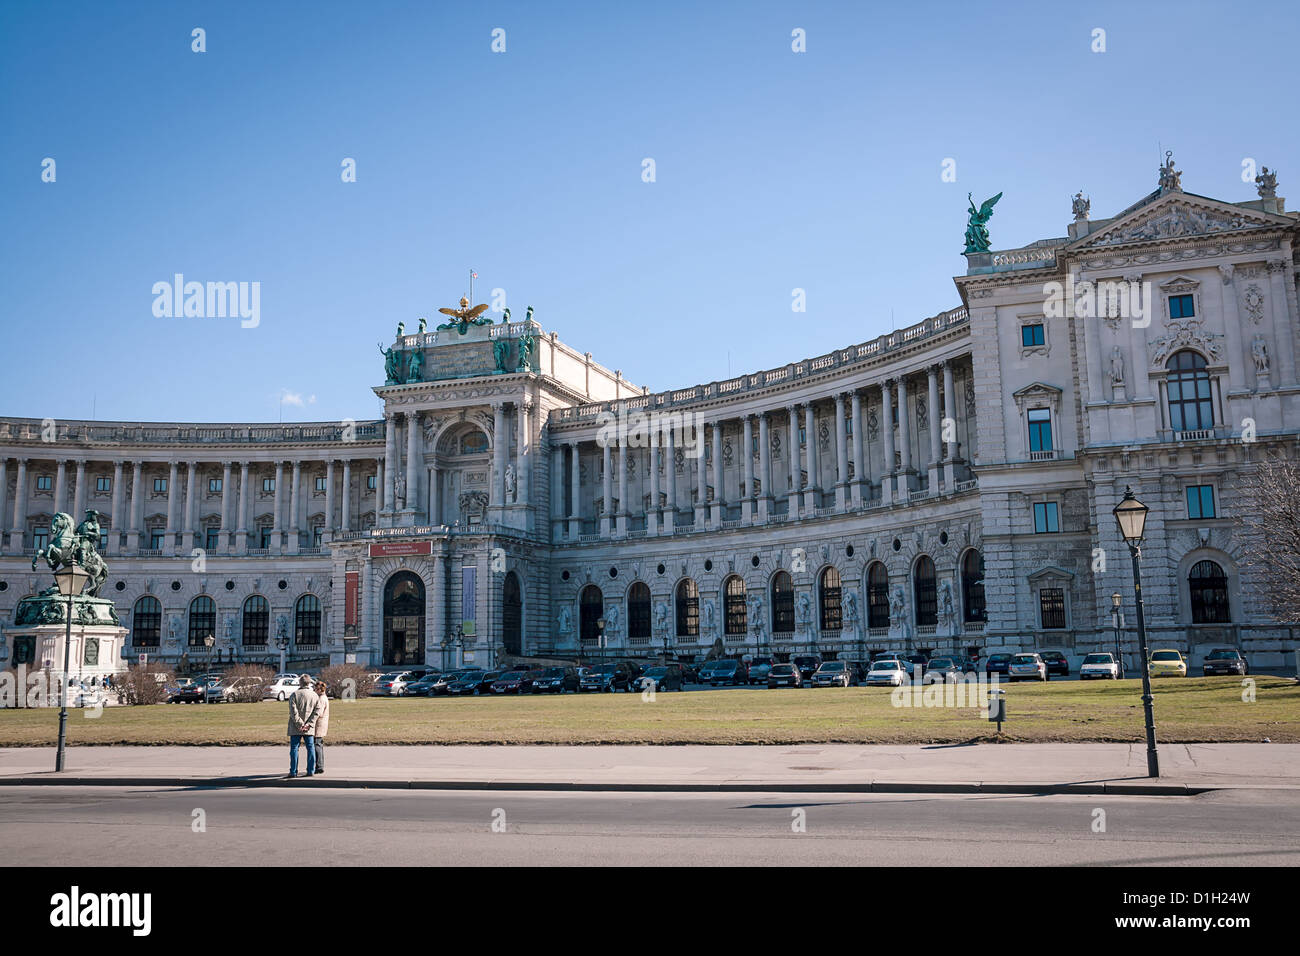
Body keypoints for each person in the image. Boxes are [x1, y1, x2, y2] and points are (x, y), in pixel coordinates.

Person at [286, 674, 321, 779]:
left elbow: (293, 712)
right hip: (308, 728)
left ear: (300, 683)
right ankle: (310, 770)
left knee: (294, 749)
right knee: (310, 748)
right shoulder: (314, 695)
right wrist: (308, 724)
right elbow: (317, 711)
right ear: (309, 683)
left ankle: (293, 771)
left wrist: (300, 724)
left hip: (295, 727)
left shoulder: (295, 695)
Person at [312, 680, 330, 776]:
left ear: (319, 689)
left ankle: (319, 766)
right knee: (319, 745)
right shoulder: (323, 697)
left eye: (315, 688)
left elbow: (320, 713)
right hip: (321, 725)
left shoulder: (322, 699)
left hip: (319, 725)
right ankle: (320, 765)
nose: (314, 690)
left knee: (317, 745)